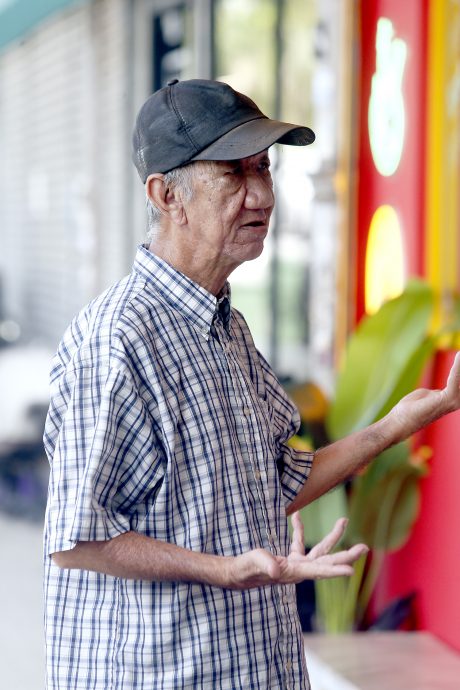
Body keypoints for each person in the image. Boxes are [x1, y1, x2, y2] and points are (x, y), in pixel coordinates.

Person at [43, 79, 460, 690]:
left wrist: (404, 421)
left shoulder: (226, 325)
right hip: (159, 673)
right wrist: (222, 570)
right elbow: (77, 537)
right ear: (166, 195)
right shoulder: (115, 342)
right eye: (235, 175)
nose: (262, 194)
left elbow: (272, 486)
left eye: (263, 168)